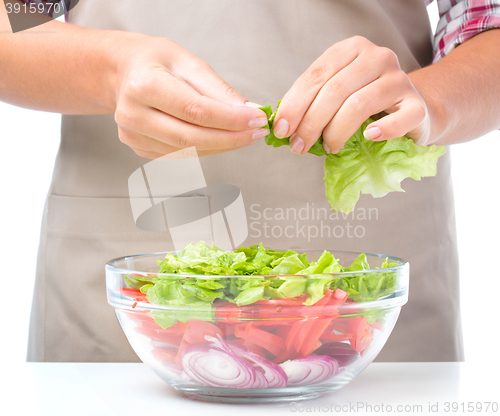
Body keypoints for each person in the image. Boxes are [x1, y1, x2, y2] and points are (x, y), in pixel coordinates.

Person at [1, 0, 499, 362]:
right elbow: (14, 16)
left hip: (365, 299)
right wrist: (112, 70)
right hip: (132, 287)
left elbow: (489, 30)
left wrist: (428, 101)